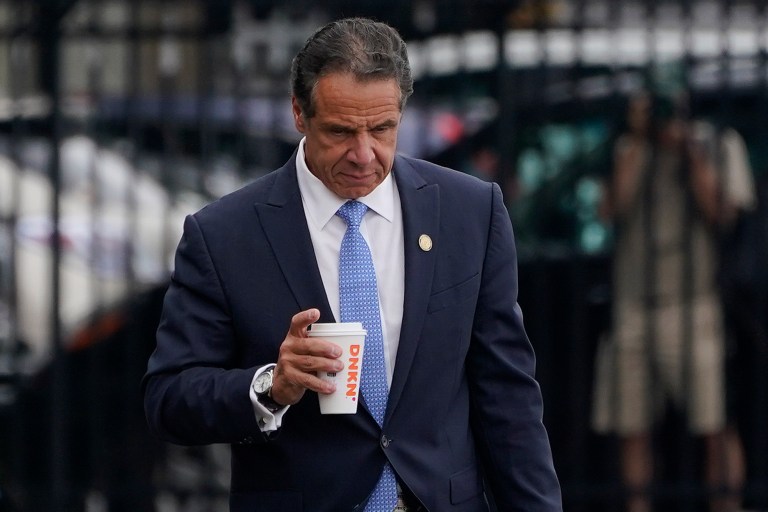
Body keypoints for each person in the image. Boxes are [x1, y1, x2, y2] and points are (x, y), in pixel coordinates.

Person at [143, 17, 562, 512]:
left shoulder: (470, 212)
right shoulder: (224, 235)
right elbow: (168, 398)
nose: (364, 154)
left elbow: (509, 401)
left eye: (382, 129)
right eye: (341, 131)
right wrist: (270, 386)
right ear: (299, 114)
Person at [591, 92, 750, 512]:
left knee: (715, 423)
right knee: (632, 428)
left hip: (695, 303)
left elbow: (724, 214)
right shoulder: (627, 147)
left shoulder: (717, 142)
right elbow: (609, 209)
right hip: (634, 305)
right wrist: (641, 141)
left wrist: (689, 151)